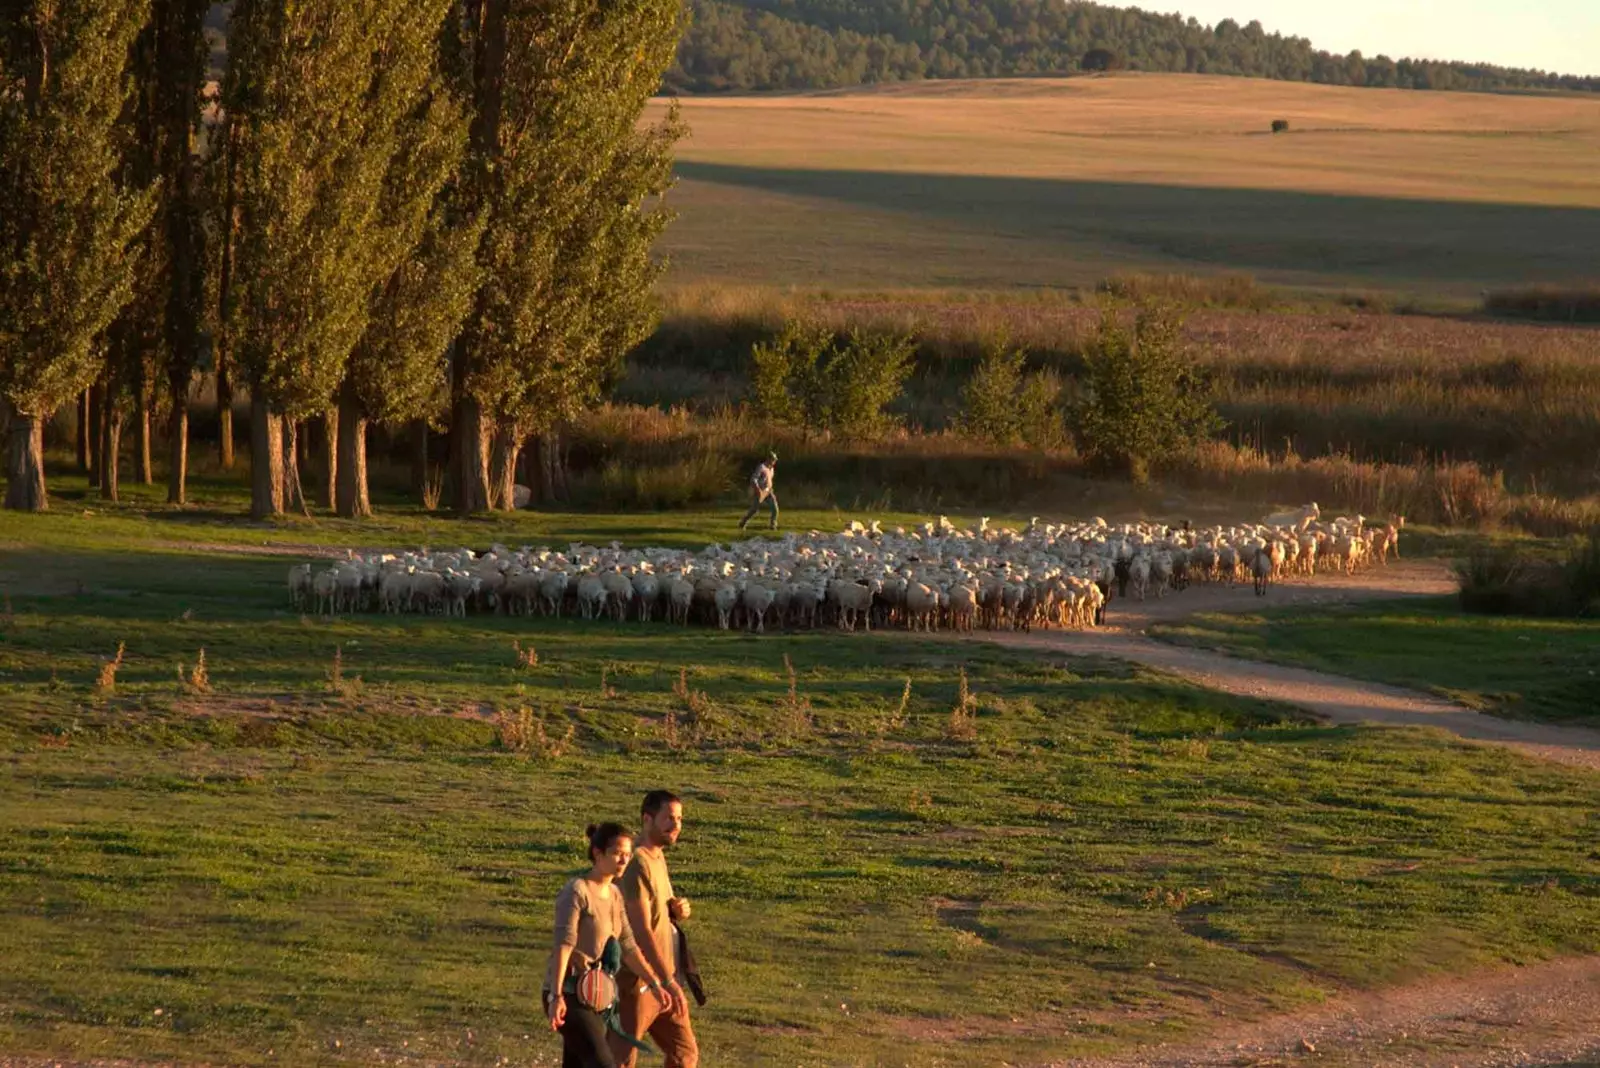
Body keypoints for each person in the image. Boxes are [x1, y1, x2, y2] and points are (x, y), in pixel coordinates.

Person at [544, 822, 674, 1068]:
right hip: (570, 994)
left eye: (627, 855)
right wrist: (555, 996)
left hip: (595, 996)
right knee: (603, 1063)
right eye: (617, 854)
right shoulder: (577, 891)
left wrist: (655, 984)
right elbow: (564, 945)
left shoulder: (615, 894)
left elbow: (628, 947)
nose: (624, 860)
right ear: (598, 853)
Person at [611, 791, 698, 1068]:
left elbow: (655, 913)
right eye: (669, 818)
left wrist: (675, 910)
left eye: (680, 818)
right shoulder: (636, 862)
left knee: (684, 1055)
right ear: (647, 819)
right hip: (638, 981)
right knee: (621, 1060)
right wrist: (667, 981)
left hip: (664, 979)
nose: (676, 825)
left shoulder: (657, 857)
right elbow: (640, 930)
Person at [738, 452, 779, 531]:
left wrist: (770, 489)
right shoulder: (761, 467)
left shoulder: (772, 469)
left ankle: (773, 525)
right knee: (754, 510)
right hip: (760, 492)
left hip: (769, 492)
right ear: (769, 459)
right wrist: (758, 490)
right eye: (773, 460)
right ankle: (743, 522)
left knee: (775, 508)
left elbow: (769, 480)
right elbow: (753, 479)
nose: (774, 462)